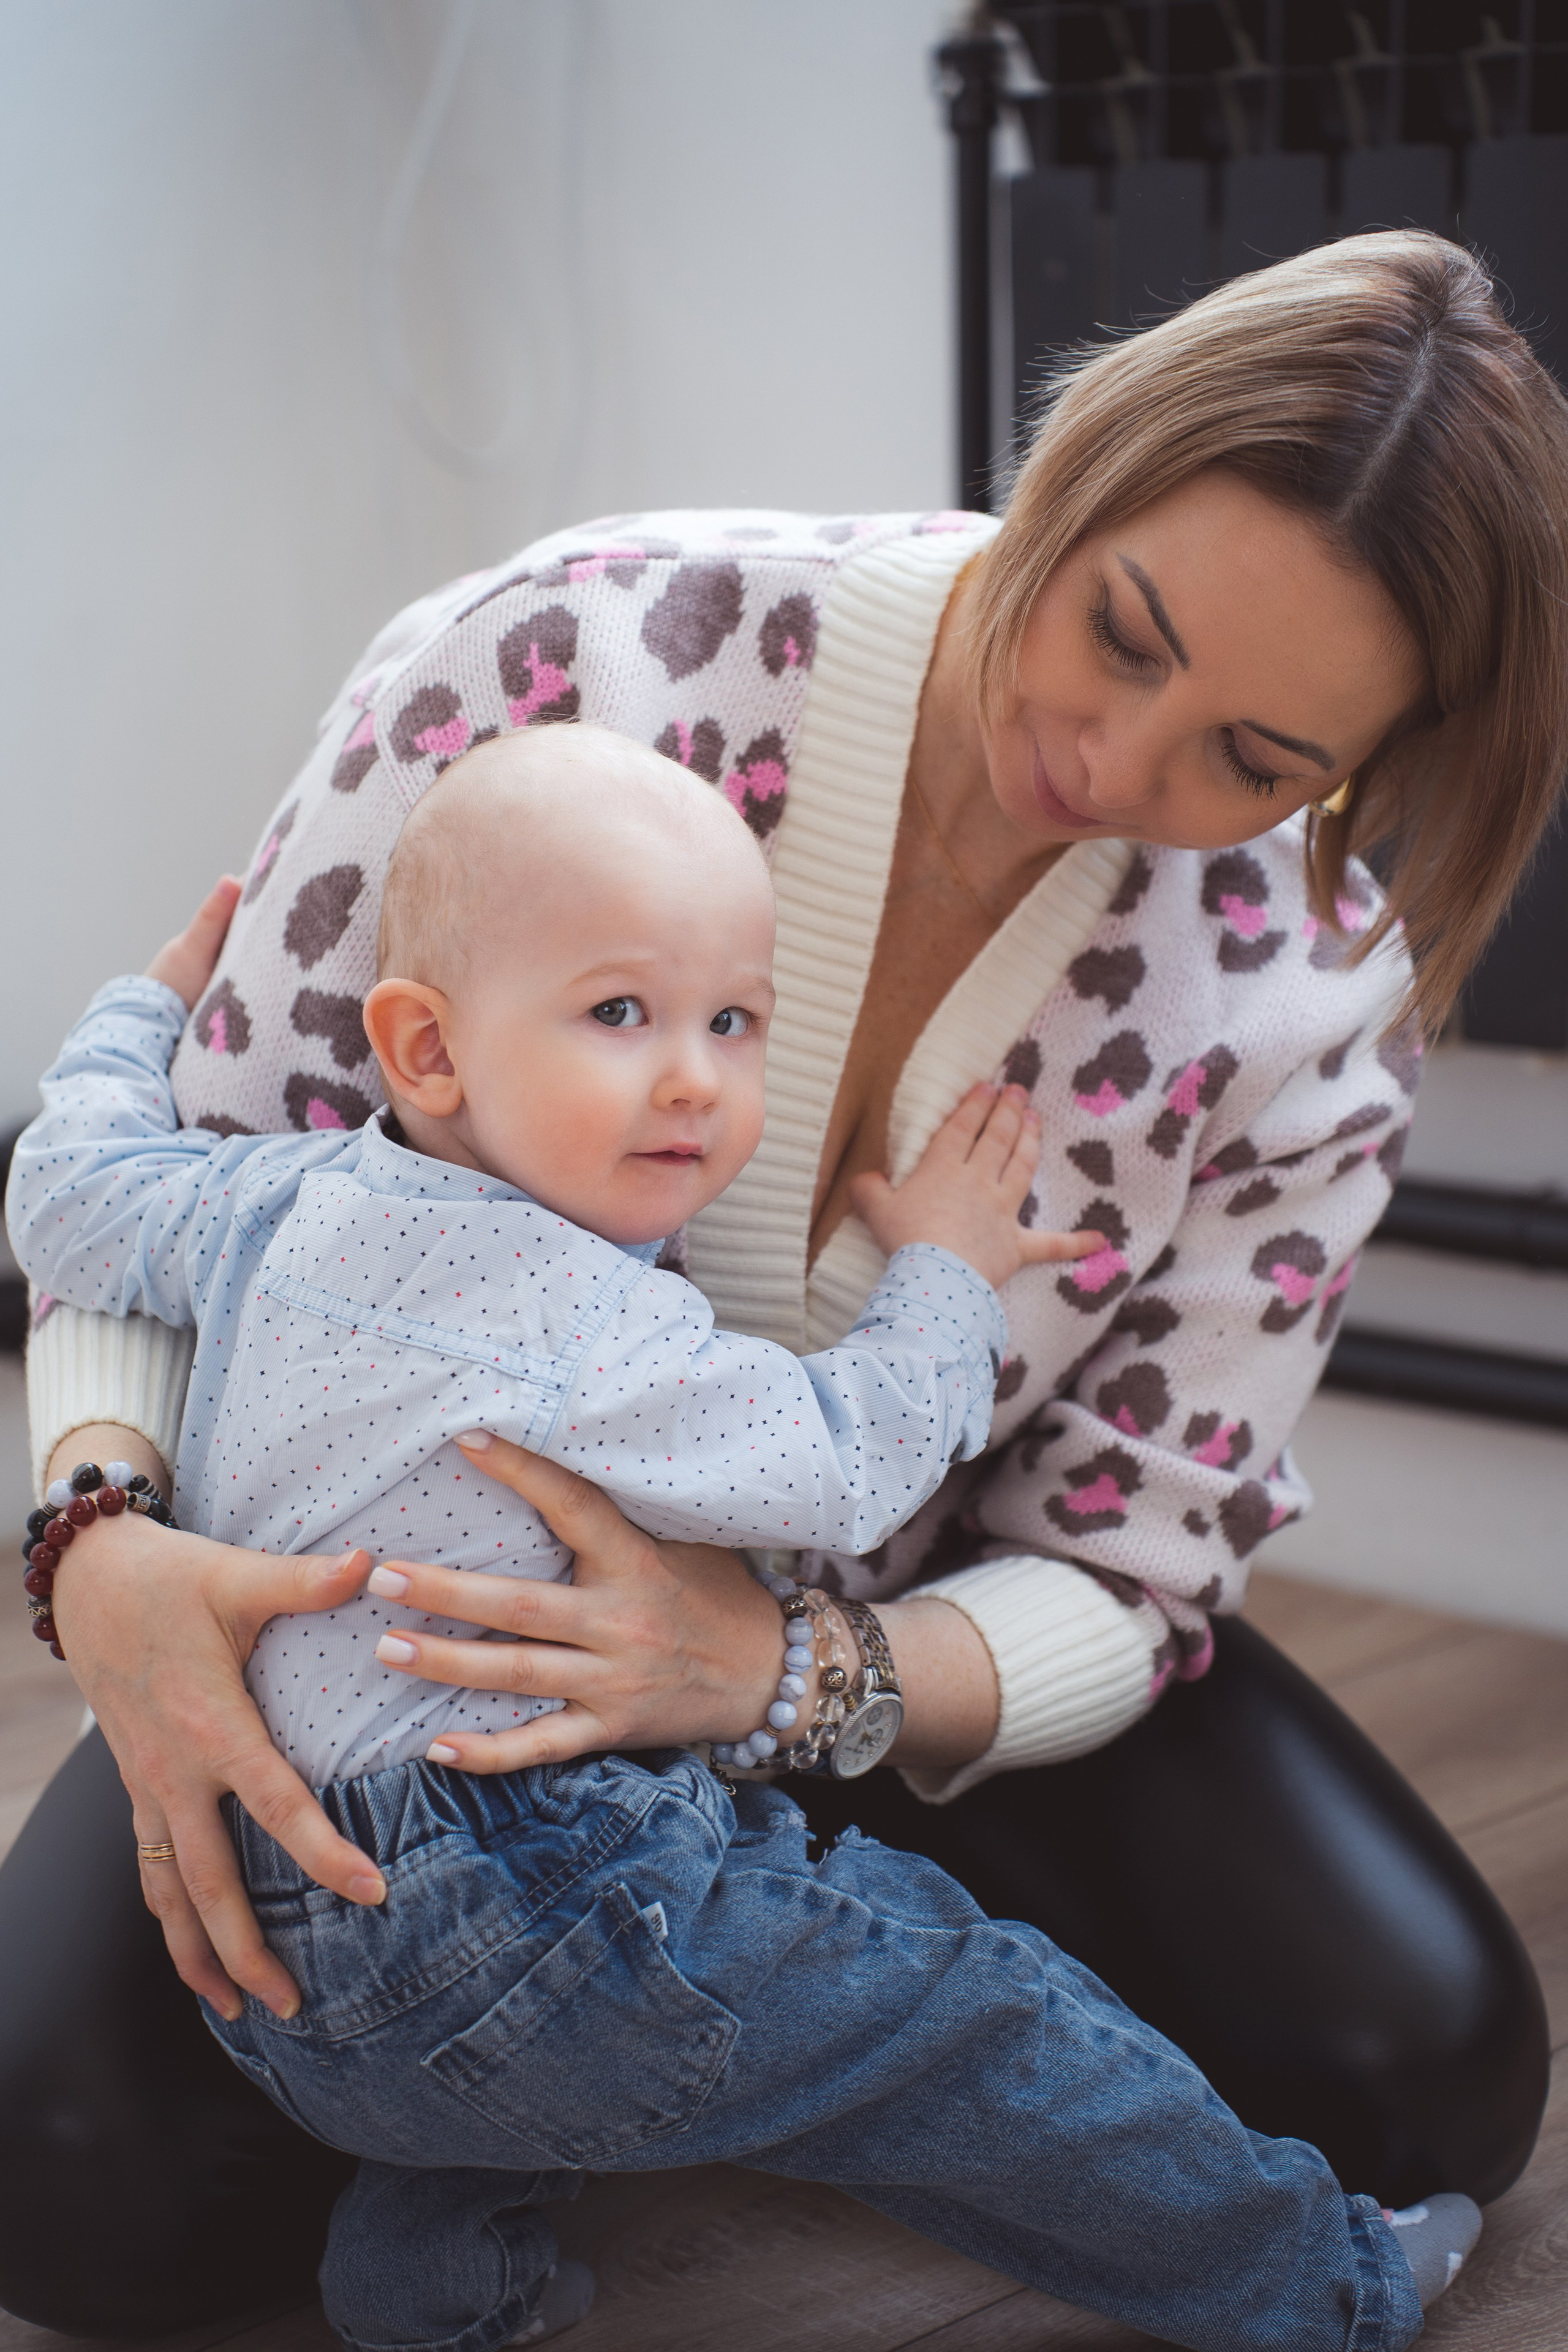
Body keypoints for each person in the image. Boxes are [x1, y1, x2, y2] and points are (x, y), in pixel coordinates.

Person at [2, 231, 1563, 2339]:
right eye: (1118, 629)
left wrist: (778, 1680)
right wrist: (103, 1552)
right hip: (379, 1646)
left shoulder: (1300, 990)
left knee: (1422, 2081)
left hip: (896, 1625)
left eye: (1258, 761)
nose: (1117, 763)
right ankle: (687, 2030)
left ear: (1363, 770)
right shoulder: (572, 659)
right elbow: (178, 1184)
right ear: (1074, 457)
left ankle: (651, 2049)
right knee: (73, 2189)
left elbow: (1135, 1560)